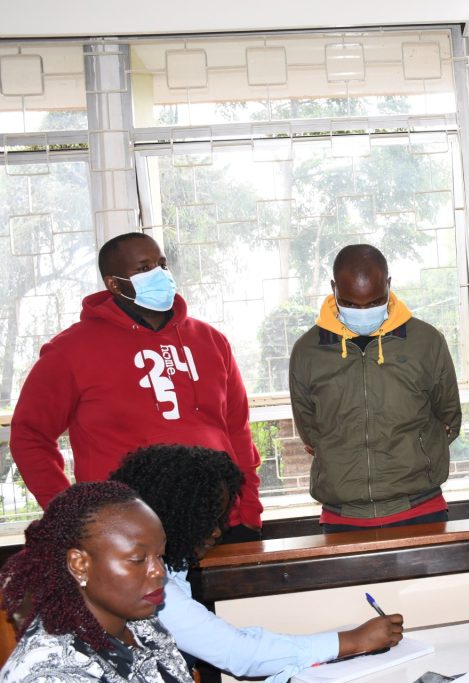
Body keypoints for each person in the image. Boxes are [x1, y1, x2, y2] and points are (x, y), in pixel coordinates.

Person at [9, 232, 263, 538]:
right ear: (114, 284)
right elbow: (29, 436)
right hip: (127, 534)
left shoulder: (211, 341)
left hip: (220, 524)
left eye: (162, 264)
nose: (159, 274)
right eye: (143, 269)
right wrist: (71, 516)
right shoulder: (70, 350)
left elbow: (238, 430)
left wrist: (249, 510)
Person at [109, 445, 403, 682]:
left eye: (220, 519)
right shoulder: (146, 585)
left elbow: (229, 639)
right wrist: (352, 640)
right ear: (171, 517)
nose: (216, 531)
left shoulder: (171, 566)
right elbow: (238, 653)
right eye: (207, 520)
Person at [289, 244, 461, 532]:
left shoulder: (426, 341)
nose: (363, 311)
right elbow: (310, 431)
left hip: (420, 509)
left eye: (373, 302)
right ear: (334, 289)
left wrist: (417, 453)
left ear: (389, 285)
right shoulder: (307, 351)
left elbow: (449, 418)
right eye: (351, 304)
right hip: (342, 517)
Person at [0, 481, 193, 682]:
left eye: (160, 555)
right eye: (138, 559)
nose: (159, 571)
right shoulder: (54, 675)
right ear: (79, 565)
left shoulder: (141, 626)